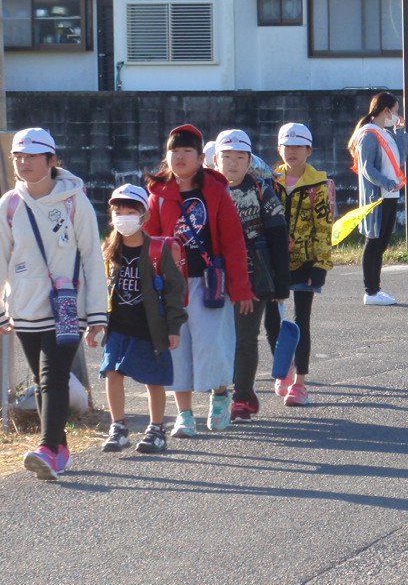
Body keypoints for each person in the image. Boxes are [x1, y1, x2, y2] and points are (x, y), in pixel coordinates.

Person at [0, 128, 107, 480]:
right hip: (24, 308)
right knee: (42, 378)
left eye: (31, 156)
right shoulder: (9, 204)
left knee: (52, 377)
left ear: (52, 160)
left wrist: (98, 313)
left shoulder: (74, 201)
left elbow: (92, 257)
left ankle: (47, 448)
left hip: (67, 307)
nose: (23, 162)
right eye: (18, 156)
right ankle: (59, 451)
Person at [145, 124, 253, 438]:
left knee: (212, 345)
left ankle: (220, 397)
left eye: (186, 152)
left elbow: (233, 242)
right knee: (176, 348)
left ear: (200, 157)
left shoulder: (216, 191)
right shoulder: (158, 194)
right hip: (171, 287)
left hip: (209, 284)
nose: (179, 157)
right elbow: (150, 242)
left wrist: (241, 288)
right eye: (174, 151)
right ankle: (184, 414)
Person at [99, 184, 188, 455]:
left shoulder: (157, 250)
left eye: (130, 212)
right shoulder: (109, 250)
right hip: (117, 326)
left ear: (144, 216)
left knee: (154, 379)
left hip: (149, 328)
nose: (124, 218)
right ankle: (118, 426)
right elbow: (99, 288)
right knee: (112, 372)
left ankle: (156, 429)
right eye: (119, 212)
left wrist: (173, 327)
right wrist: (94, 324)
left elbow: (175, 290)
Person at [214, 129, 291, 423]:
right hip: (215, 277)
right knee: (219, 339)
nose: (233, 163)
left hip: (254, 275)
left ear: (249, 161)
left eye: (239, 157)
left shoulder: (261, 191)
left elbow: (279, 238)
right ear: (216, 160)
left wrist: (281, 285)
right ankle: (222, 392)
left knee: (245, 338)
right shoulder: (206, 192)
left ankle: (242, 397)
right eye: (226, 157)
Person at [266, 123, 333, 407]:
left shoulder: (318, 184)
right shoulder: (269, 181)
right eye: (287, 146)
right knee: (271, 321)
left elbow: (324, 228)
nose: (292, 152)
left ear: (309, 151)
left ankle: (299, 384)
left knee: (301, 320)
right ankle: (284, 367)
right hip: (274, 262)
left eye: (298, 147)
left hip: (305, 262)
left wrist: (321, 265)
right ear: (279, 149)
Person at [349, 92, 407, 305]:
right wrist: (388, 183)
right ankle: (371, 292)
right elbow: (367, 168)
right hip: (378, 196)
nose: (397, 116)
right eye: (396, 111)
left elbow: (401, 156)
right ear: (386, 110)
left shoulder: (384, 133)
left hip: (390, 195)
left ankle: (376, 289)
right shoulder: (368, 134)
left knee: (381, 244)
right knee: (373, 242)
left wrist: (401, 131)